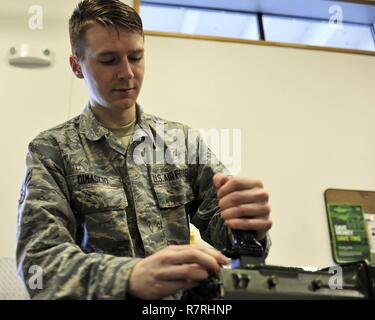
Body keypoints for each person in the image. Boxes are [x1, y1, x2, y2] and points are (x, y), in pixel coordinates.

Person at [16, 0, 272, 300]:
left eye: (135, 57)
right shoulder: (51, 151)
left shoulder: (181, 142)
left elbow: (230, 236)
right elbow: (40, 264)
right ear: (77, 66)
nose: (126, 73)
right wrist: (129, 277)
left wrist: (248, 227)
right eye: (109, 60)